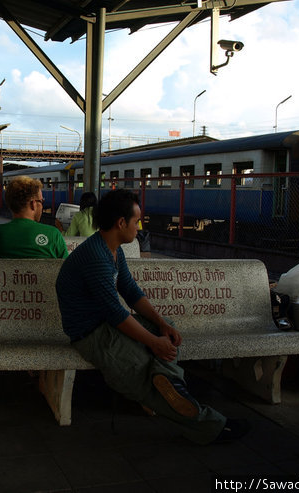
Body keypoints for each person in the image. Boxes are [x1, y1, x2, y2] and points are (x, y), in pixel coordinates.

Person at [55, 189, 249, 445]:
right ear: (121, 223)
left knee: (167, 331)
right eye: (136, 221)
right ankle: (210, 425)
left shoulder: (113, 249)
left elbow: (131, 292)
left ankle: (167, 379)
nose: (139, 227)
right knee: (144, 375)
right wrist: (152, 343)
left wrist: (161, 324)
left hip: (107, 324)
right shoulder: (96, 257)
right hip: (92, 334)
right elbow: (115, 313)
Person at [0, 176, 68, 259]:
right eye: (41, 201)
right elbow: (68, 268)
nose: (42, 206)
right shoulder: (53, 234)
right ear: (33, 204)